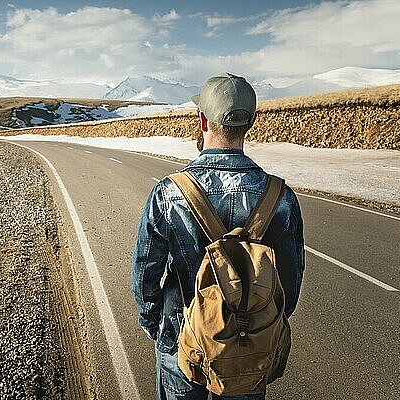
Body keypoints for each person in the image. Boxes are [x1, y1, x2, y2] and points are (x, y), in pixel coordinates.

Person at [131, 73, 305, 400]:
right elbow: (290, 280)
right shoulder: (280, 197)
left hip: (182, 335)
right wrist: (262, 328)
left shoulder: (169, 193)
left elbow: (145, 274)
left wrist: (159, 329)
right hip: (249, 345)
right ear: (250, 123)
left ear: (202, 121)